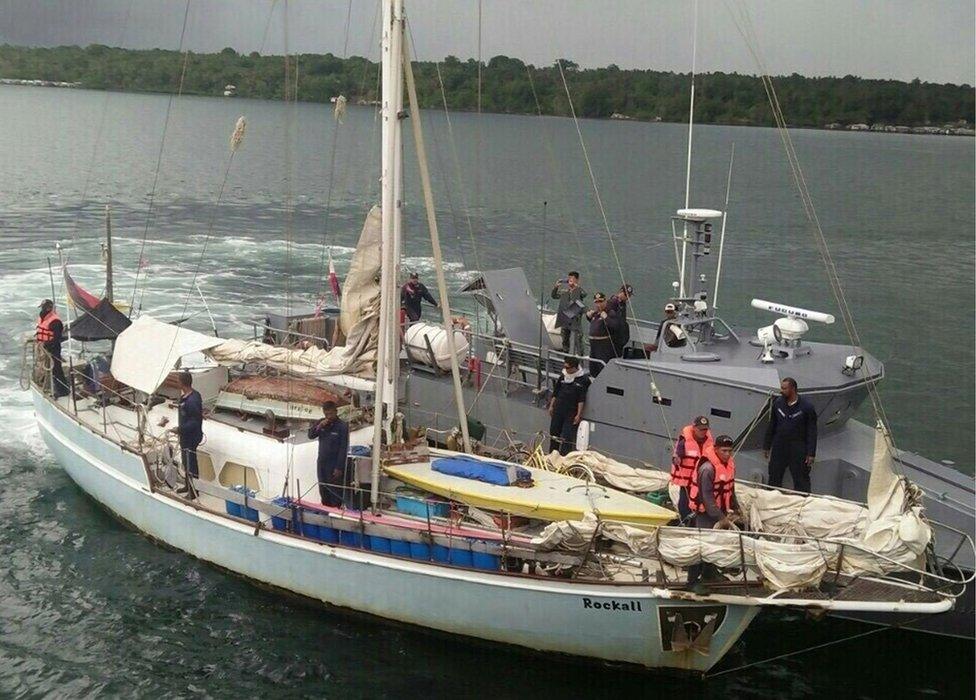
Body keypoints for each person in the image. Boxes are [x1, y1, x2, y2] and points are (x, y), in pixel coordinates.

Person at [686, 434, 740, 589]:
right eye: (724, 451)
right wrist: (720, 517)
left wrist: (736, 507)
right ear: (716, 449)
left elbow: (731, 488)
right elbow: (706, 496)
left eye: (730, 451)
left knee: (714, 545)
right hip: (706, 513)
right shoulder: (707, 469)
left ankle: (709, 573)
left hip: (719, 510)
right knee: (702, 546)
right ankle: (692, 581)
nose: (727, 454)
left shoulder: (729, 464)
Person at [763, 377, 818, 493]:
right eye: (781, 388)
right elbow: (772, 425)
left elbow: (812, 431)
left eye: (784, 388)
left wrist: (811, 453)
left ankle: (803, 501)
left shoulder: (807, 407)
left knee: (801, 478)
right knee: (774, 475)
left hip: (798, 448)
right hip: (779, 446)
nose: (781, 391)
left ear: (793, 389)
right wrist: (767, 446)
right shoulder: (778, 404)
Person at [669, 416, 714, 522]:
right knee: (685, 504)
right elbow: (676, 456)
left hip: (701, 480)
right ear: (694, 428)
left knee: (701, 504)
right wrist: (677, 459)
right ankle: (685, 522)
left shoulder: (710, 442)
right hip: (687, 481)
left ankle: (697, 522)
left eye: (705, 429)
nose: (703, 431)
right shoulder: (684, 441)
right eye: (701, 429)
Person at [308, 400, 350, 507]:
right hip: (322, 462)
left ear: (336, 412)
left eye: (331, 413)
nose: (329, 416)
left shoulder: (342, 426)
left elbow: (343, 448)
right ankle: (325, 507)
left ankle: (336, 508)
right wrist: (319, 427)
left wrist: (339, 467)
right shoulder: (322, 423)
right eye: (326, 414)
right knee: (323, 488)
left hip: (334, 464)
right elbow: (311, 435)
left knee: (334, 490)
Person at [548, 357, 590, 456]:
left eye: (568, 368)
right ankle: (552, 455)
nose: (566, 370)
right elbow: (556, 392)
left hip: (571, 411)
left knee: (566, 436)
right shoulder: (563, 377)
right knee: (554, 433)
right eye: (565, 367)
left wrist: (578, 414)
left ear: (575, 368)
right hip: (559, 408)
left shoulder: (583, 380)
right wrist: (551, 406)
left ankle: (563, 457)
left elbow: (581, 399)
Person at [35, 299, 69, 398]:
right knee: (45, 368)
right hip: (43, 346)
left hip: (53, 348)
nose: (43, 309)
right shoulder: (42, 317)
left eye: (44, 307)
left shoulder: (55, 321)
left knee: (56, 369)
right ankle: (49, 384)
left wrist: (47, 345)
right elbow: (41, 329)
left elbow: (57, 338)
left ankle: (63, 391)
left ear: (49, 308)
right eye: (42, 307)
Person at [177, 371, 204, 491]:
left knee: (191, 463)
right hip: (185, 436)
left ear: (181, 383)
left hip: (191, 437)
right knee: (186, 461)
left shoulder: (192, 400)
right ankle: (188, 485)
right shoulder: (187, 397)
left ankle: (194, 490)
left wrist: (179, 429)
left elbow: (194, 421)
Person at [585, 292, 621, 378]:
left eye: (600, 302)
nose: (598, 304)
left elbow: (615, 326)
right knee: (593, 367)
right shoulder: (596, 313)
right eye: (596, 302)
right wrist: (588, 316)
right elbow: (594, 324)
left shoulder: (610, 312)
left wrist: (606, 318)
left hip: (602, 345)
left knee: (602, 367)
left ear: (605, 302)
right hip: (593, 345)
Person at [551, 271, 587, 355]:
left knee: (578, 341)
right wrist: (556, 287)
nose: (570, 281)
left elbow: (584, 294)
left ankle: (580, 358)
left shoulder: (579, 291)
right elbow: (554, 296)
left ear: (577, 280)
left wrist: (576, 287)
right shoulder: (565, 291)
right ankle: (566, 357)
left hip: (575, 320)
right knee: (565, 340)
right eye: (569, 279)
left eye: (572, 279)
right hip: (565, 318)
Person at [606, 283, 633, 356]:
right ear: (621, 292)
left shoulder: (623, 304)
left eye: (629, 296)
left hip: (620, 335)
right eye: (626, 295)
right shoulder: (613, 302)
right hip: (614, 334)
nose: (628, 297)